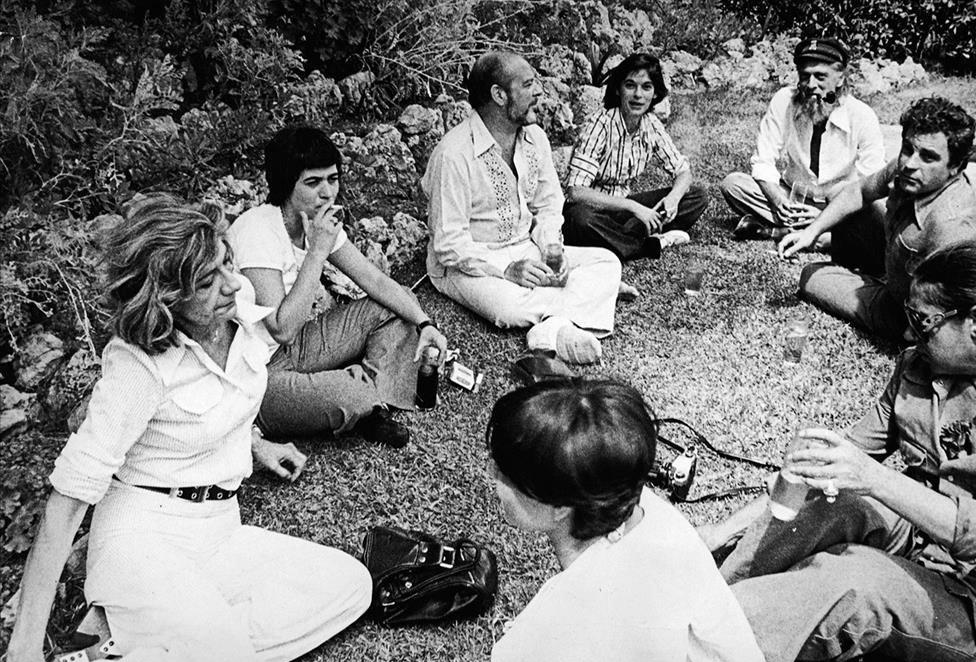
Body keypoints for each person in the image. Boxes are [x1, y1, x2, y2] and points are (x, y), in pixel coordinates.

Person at [702, 241, 976, 662]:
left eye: (921, 322)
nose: (906, 334)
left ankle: (699, 638)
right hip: (920, 543)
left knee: (854, 579)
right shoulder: (920, 367)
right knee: (832, 501)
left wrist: (876, 479)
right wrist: (723, 529)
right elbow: (834, 463)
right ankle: (716, 592)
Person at [3, 196, 371, 662]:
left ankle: (154, 651)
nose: (233, 284)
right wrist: (23, 652)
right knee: (227, 656)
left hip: (220, 528)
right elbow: (68, 499)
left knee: (350, 585)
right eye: (207, 281)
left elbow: (253, 363)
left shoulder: (233, 311)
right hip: (142, 536)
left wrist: (255, 444)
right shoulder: (137, 365)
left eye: (226, 264)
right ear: (167, 297)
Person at [487, 379, 767, 662]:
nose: (491, 477)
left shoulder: (578, 630)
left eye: (503, 473)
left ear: (559, 506)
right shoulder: (638, 505)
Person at [227, 126, 448, 448]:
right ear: (286, 185)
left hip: (298, 347)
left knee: (398, 304)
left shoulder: (318, 222)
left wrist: (425, 323)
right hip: (255, 370)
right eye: (313, 182)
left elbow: (373, 280)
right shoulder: (257, 229)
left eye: (332, 179)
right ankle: (361, 397)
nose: (327, 193)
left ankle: (370, 402)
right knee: (349, 393)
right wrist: (317, 250)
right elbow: (281, 329)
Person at [422, 52, 622, 365]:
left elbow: (548, 204)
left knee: (607, 261)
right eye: (528, 84)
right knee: (508, 308)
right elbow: (449, 245)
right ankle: (585, 301)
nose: (539, 91)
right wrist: (506, 270)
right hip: (468, 265)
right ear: (499, 95)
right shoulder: (453, 155)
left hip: (525, 249)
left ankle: (551, 328)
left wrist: (550, 248)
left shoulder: (535, 138)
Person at [779, 96, 976, 342]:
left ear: (956, 166)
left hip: (906, 309)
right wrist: (810, 232)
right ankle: (861, 272)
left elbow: (948, 314)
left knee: (811, 277)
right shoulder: (907, 171)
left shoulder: (953, 226)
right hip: (894, 266)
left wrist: (909, 337)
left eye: (928, 157)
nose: (910, 163)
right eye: (908, 148)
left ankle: (866, 284)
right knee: (840, 195)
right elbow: (858, 191)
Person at [720, 37, 885, 241]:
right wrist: (779, 202)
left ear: (840, 78)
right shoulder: (784, 101)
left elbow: (871, 179)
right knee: (733, 184)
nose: (811, 85)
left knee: (880, 211)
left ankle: (785, 231)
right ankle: (825, 236)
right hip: (792, 197)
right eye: (805, 76)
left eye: (820, 76)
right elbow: (763, 161)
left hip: (839, 203)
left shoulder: (862, 115)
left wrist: (827, 215)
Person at [563, 53, 707, 264]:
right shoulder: (600, 124)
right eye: (630, 86)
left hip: (624, 213)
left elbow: (683, 171)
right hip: (593, 211)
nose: (638, 95)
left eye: (646, 87)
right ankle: (647, 244)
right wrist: (634, 208)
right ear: (617, 89)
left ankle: (622, 237)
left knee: (696, 196)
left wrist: (673, 198)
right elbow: (576, 192)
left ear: (655, 93)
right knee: (580, 220)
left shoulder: (651, 124)